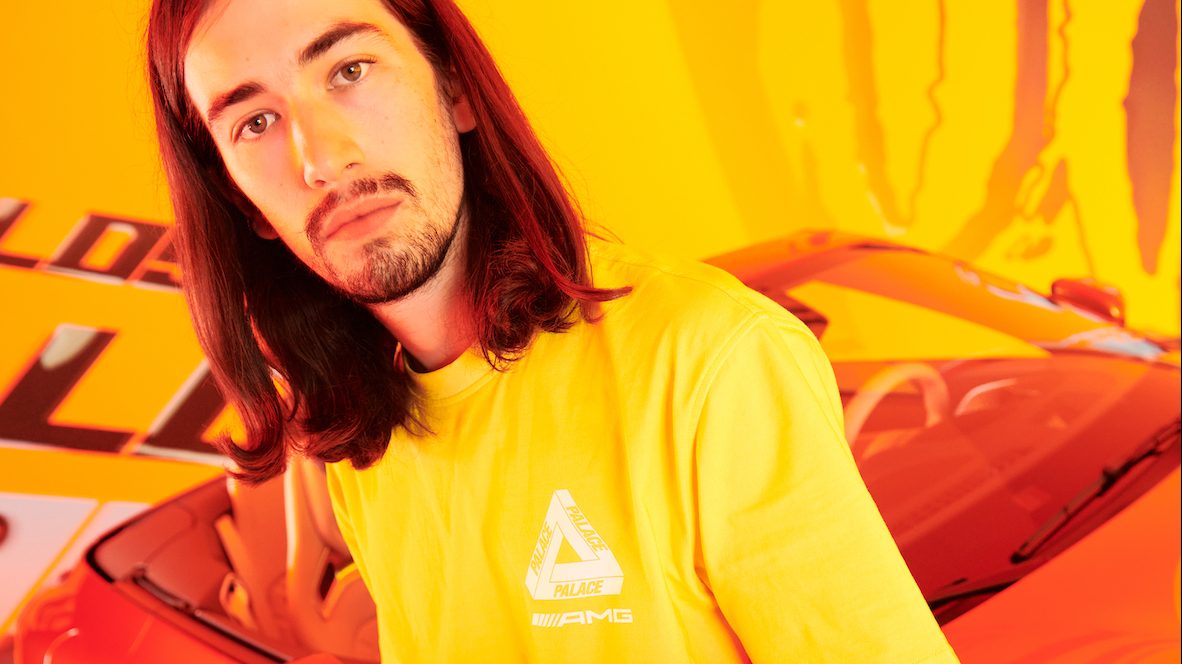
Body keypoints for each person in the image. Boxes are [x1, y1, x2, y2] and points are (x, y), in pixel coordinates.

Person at [148, 0, 959, 661]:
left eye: (349, 71)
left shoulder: (708, 358)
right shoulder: (364, 442)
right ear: (238, 200)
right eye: (255, 122)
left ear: (455, 87)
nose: (322, 156)